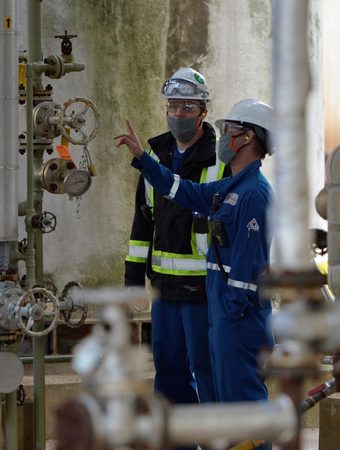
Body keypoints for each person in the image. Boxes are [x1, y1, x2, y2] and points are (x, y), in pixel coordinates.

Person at [116, 98, 276, 405]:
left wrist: (228, 317)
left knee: (242, 406)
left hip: (238, 321)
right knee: (224, 405)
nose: (223, 135)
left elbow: (247, 271)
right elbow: (183, 191)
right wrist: (143, 158)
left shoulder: (253, 194)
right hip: (222, 317)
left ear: (248, 137)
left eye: (230, 128)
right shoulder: (231, 188)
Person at [123, 67, 230, 412]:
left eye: (188, 107)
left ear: (203, 112)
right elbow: (143, 223)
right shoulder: (153, 156)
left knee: (208, 369)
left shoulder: (221, 160)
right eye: (173, 106)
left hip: (205, 290)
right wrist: (132, 280)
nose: (179, 114)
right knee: (168, 372)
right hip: (165, 290)